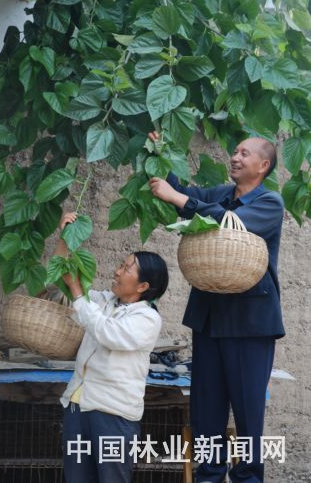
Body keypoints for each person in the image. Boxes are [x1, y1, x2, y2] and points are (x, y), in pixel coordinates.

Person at [148, 132, 285, 483]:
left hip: (250, 324)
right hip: (209, 319)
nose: (235, 157)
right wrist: (163, 151)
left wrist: (178, 196)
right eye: (235, 151)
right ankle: (209, 477)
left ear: (263, 165)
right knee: (206, 412)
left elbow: (229, 223)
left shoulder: (270, 203)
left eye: (244, 153)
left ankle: (249, 478)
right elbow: (186, 197)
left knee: (247, 413)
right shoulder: (221, 194)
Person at [54, 212, 169, 483]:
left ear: (143, 285)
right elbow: (62, 280)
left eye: (126, 268)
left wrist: (80, 294)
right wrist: (64, 237)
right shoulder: (105, 301)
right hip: (77, 407)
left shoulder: (147, 319)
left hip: (113, 416)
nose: (117, 271)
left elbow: (107, 333)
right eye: (121, 264)